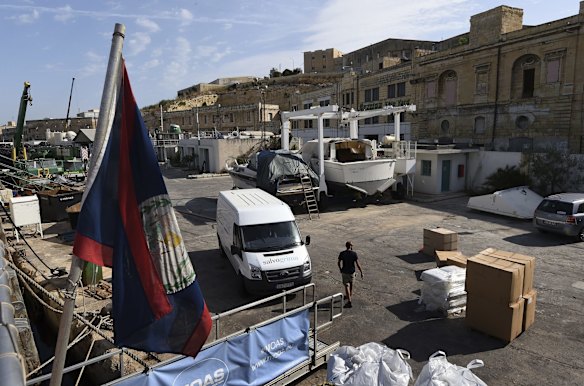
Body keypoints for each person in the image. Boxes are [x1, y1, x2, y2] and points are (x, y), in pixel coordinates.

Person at [338, 241, 363, 308]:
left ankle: (349, 301)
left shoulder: (342, 253)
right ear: (351, 246)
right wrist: (361, 272)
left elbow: (338, 262)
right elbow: (357, 264)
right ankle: (349, 295)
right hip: (352, 272)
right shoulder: (354, 254)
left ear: (346, 246)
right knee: (351, 284)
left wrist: (340, 269)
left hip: (345, 272)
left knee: (346, 286)